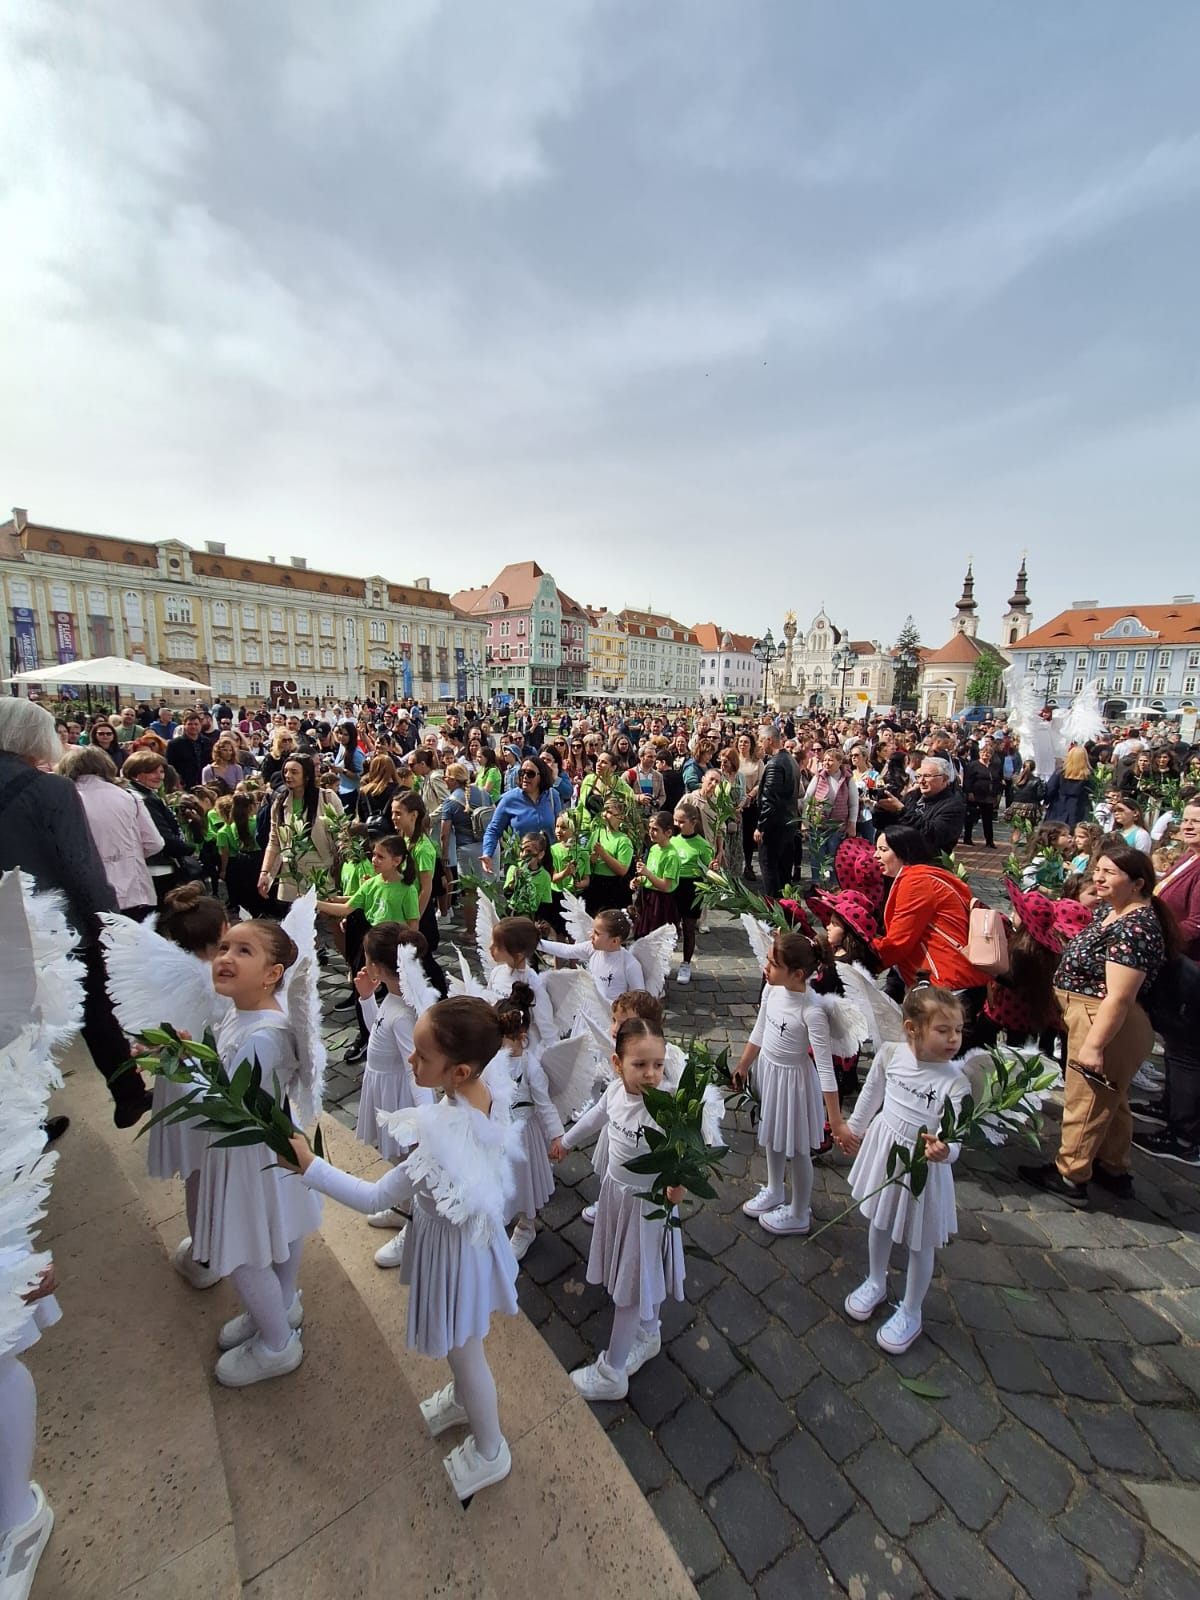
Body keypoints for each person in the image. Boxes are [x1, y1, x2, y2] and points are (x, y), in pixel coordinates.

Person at [290, 997, 520, 1498]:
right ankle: (462, 1402)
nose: (410, 1062)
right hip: (463, 1244)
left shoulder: (441, 1138)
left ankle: (490, 1450)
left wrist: (311, 1168)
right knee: (465, 1349)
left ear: (457, 1071)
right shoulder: (482, 1091)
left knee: (465, 1354)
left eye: (420, 1056)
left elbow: (374, 1196)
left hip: (455, 1258)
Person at [0, 700, 150, 1127]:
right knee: (95, 1008)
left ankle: (20, 1124)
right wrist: (108, 925)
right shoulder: (49, 789)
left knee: (10, 1029)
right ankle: (129, 1094)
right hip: (51, 930)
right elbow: (82, 868)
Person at [196, 920, 323, 1386]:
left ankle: (275, 1344)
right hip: (262, 1145)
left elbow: (231, 1100)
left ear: (272, 974)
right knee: (283, 1222)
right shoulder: (241, 1014)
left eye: (243, 951)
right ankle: (280, 1303)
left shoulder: (261, 1036)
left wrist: (187, 1066)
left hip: (250, 1151)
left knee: (241, 1250)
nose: (225, 956)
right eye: (225, 945)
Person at [1019, 844, 1174, 1206]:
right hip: (1088, 1013)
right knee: (1112, 1099)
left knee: (1086, 1100)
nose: (1099, 878)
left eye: (1110, 873)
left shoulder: (1135, 927)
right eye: (1098, 871)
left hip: (1103, 1020)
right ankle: (1113, 1166)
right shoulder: (1113, 910)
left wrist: (1093, 1046)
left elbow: (1119, 997)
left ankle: (1070, 1175)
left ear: (1137, 883)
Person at [551, 1017, 686, 1400]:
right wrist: (567, 1140)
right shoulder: (614, 1093)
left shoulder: (666, 1107)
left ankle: (612, 1372)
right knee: (643, 1272)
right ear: (617, 1064)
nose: (650, 1074)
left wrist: (678, 1188)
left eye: (657, 1064)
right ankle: (649, 1329)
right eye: (639, 1065)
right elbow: (597, 1116)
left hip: (647, 1208)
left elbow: (686, 1154)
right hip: (618, 1197)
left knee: (631, 1282)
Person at [842, 985, 971, 1355]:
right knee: (880, 1220)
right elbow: (871, 1092)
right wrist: (855, 1127)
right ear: (912, 1028)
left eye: (958, 1031)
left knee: (919, 1239)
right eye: (943, 1030)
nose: (953, 1039)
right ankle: (875, 1280)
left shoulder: (955, 1083)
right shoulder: (890, 1055)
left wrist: (945, 1150)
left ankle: (912, 1310)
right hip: (887, 1149)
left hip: (923, 1167)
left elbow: (956, 1135)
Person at [734, 932, 854, 1236]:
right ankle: (775, 1189)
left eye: (773, 964)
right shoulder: (773, 992)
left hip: (796, 1084)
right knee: (773, 1135)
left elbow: (826, 1070)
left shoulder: (811, 1011)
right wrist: (744, 1064)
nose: (765, 967)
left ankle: (800, 1211)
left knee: (799, 1148)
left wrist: (836, 1121)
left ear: (797, 974)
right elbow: (760, 1030)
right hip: (771, 1074)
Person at [145, 885, 228, 1289]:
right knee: (220, 1171)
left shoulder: (162, 975)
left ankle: (204, 1253)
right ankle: (219, 1244)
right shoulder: (225, 979)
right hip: (220, 1087)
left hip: (181, 1085)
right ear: (224, 930)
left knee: (197, 1175)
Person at [352, 923, 438, 1267]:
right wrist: (365, 997)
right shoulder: (393, 996)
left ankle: (412, 1233)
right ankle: (402, 1208)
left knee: (411, 1167)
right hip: (384, 1089)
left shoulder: (405, 1014)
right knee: (398, 1161)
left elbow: (416, 1072)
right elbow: (377, 1029)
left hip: (401, 1099)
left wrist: (424, 1123)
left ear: (377, 967)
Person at [872, 828, 988, 1042]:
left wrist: (862, 958)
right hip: (962, 979)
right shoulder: (930, 875)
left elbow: (899, 941)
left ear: (903, 851)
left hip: (946, 983)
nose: (875, 855)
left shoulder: (916, 882)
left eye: (883, 849)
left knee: (938, 1061)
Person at [1133, 800, 1200, 1165]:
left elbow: (1196, 924)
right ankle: (1170, 1106)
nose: (1188, 827)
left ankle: (1185, 1135)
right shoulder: (1188, 857)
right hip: (1176, 962)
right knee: (1175, 1044)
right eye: (1186, 820)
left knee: (1187, 1051)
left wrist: (1158, 936)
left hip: (1191, 968)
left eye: (1197, 822)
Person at [494, 984, 564, 1262]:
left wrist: (558, 1137)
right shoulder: (492, 1060)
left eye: (501, 1041)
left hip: (524, 1138)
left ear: (521, 1039)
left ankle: (526, 1226)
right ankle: (501, 1213)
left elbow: (545, 1106)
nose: (496, 1046)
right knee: (500, 1179)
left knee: (524, 1182)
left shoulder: (531, 1067)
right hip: (498, 1133)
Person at [58, 746, 164, 919]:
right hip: (134, 892)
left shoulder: (64, 800)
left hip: (87, 892)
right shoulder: (129, 797)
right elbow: (154, 842)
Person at [259, 756, 343, 905]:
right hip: (291, 870)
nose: (288, 776)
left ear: (307, 775)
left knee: (326, 916)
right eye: (285, 771)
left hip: (320, 865)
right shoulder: (279, 802)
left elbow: (342, 833)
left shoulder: (327, 798)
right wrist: (265, 872)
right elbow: (274, 841)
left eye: (294, 772)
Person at [539, 908, 647, 1006]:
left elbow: (639, 999)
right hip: (590, 1011)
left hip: (612, 1018)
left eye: (597, 933)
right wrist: (536, 942)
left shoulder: (629, 964)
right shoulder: (591, 948)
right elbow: (566, 950)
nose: (591, 935)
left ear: (615, 941)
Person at [479, 756, 559, 875]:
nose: (525, 777)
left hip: (546, 865)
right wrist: (487, 853)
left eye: (530, 773)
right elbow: (493, 829)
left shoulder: (553, 796)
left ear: (541, 776)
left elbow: (559, 827)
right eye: (522, 772)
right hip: (517, 866)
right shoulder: (509, 799)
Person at [872, 756, 966, 856]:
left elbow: (932, 834)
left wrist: (902, 810)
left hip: (928, 861)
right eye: (919, 776)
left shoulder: (953, 805)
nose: (921, 781)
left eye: (927, 776)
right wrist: (882, 809)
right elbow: (884, 825)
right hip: (900, 857)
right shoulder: (912, 796)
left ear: (944, 779)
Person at [754, 723, 798, 898]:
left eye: (761, 740)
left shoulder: (775, 764)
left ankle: (774, 911)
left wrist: (760, 826)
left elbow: (770, 799)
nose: (759, 743)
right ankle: (785, 910)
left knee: (770, 869)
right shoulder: (791, 760)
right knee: (783, 871)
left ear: (769, 740)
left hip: (775, 827)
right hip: (788, 825)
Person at [632, 811, 682, 937]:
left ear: (668, 833)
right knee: (641, 935)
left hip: (661, 901)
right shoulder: (654, 848)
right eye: (649, 828)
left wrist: (647, 874)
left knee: (656, 939)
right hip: (647, 896)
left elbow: (665, 885)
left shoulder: (671, 855)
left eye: (655, 829)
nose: (650, 832)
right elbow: (652, 874)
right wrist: (640, 880)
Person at [960, 741, 997, 849]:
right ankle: (967, 838)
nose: (986, 754)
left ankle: (989, 840)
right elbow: (968, 780)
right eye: (984, 752)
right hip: (976, 794)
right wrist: (969, 792)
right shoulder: (973, 765)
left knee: (988, 819)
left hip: (989, 796)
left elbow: (996, 779)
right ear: (980, 753)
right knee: (971, 817)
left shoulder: (994, 766)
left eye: (988, 753)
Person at [1044, 746, 1094, 827]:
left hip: (1058, 808)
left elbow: (1050, 789)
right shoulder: (1089, 775)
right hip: (1079, 809)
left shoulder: (1060, 772)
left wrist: (1046, 802)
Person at [736, 732, 763, 878]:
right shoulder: (734, 760)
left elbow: (761, 782)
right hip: (735, 804)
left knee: (748, 836)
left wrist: (751, 794)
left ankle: (748, 865)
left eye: (746, 742)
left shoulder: (757, 762)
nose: (743, 745)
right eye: (740, 742)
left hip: (751, 803)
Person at [166, 711, 212, 789]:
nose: (193, 727)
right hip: (184, 784)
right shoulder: (174, 744)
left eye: (196, 724)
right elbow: (170, 766)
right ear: (184, 725)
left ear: (200, 725)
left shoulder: (207, 742)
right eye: (190, 724)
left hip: (204, 782)